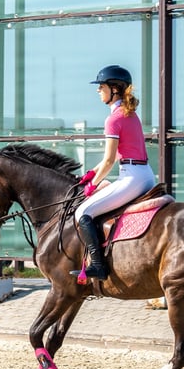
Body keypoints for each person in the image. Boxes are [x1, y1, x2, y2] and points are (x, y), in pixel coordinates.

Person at [71, 64, 156, 281]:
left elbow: (109, 160)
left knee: (83, 213)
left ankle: (98, 266)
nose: (98, 90)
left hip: (131, 177)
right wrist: (91, 174)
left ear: (114, 89)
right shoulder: (129, 115)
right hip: (143, 173)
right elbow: (108, 160)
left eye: (101, 87)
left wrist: (91, 186)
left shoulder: (113, 119)